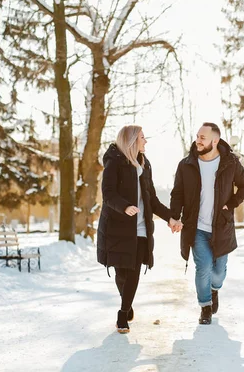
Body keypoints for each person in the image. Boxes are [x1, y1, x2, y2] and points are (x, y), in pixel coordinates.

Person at [97, 125, 180, 334]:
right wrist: (124, 206)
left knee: (133, 271)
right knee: (121, 273)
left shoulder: (145, 164)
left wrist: (170, 217)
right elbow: (107, 193)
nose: (146, 141)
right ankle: (128, 301)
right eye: (143, 138)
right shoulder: (114, 162)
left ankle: (122, 314)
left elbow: (151, 198)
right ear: (132, 140)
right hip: (117, 227)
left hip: (141, 228)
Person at [170, 122, 244, 325]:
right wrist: (174, 216)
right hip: (195, 227)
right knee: (203, 266)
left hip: (221, 227)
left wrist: (231, 204)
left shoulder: (230, 162)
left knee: (218, 273)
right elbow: (177, 193)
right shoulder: (186, 164)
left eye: (202, 137)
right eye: (197, 136)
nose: (198, 140)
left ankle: (214, 290)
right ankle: (205, 306)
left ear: (215, 141)